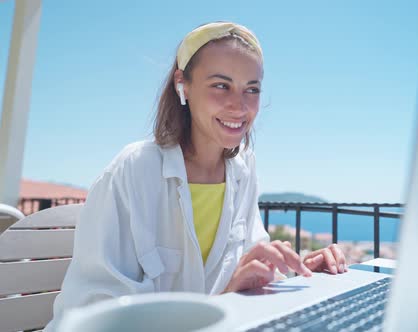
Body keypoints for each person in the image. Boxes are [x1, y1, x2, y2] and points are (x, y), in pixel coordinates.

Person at [45, 22, 347, 331]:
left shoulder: (244, 169)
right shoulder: (134, 169)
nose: (239, 106)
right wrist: (223, 300)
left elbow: (250, 277)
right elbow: (98, 314)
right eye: (221, 85)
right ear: (182, 85)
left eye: (252, 89)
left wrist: (302, 276)